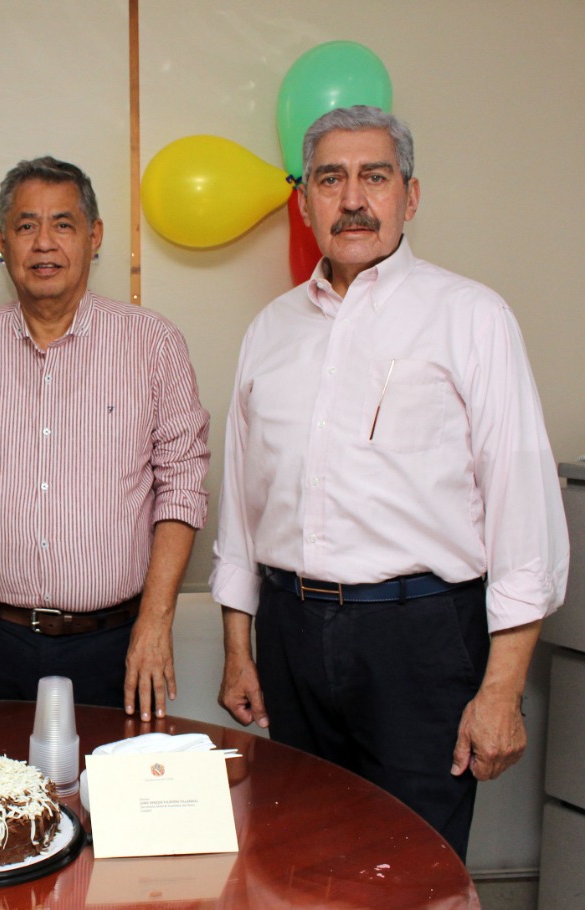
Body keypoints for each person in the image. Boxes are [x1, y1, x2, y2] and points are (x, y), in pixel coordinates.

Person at [211, 106, 569, 859]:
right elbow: (244, 507)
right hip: (291, 634)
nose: (352, 199)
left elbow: (524, 514)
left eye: (374, 177)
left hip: (421, 639)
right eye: (330, 179)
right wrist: (239, 646)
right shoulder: (270, 329)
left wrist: (502, 690)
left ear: (411, 195)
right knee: (299, 861)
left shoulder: (471, 316)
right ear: (304, 201)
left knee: (414, 869)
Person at [0, 156, 210, 718]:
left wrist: (156, 620)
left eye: (63, 224)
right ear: (2, 240)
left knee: (107, 778)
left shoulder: (153, 344)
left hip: (116, 644)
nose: (44, 243)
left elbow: (183, 485)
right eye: (26, 225)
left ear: (94, 236)